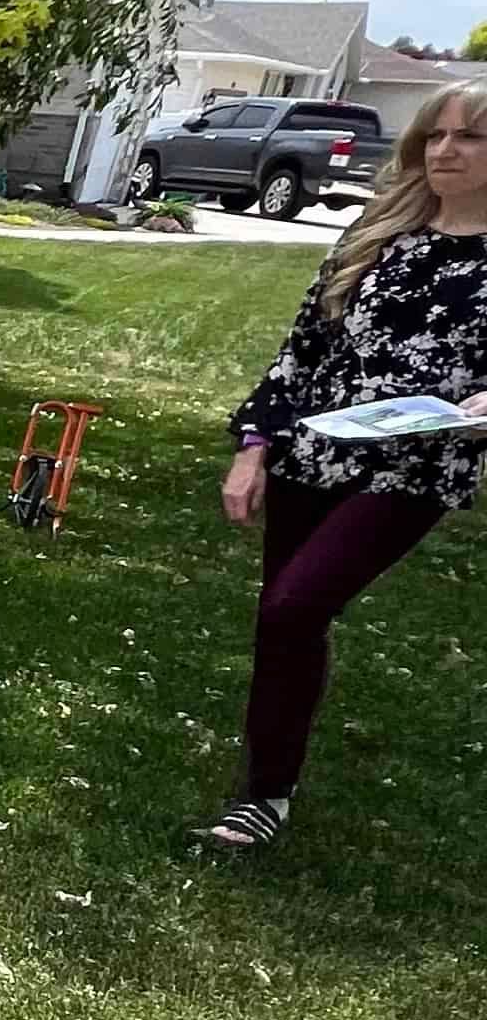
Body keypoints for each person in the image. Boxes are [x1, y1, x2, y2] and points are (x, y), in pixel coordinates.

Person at [196, 79, 487, 850]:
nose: (446, 150)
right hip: (312, 451)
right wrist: (254, 446)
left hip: (415, 468)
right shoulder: (379, 231)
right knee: (282, 622)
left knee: (296, 606)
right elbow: (303, 348)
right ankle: (265, 792)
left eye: (470, 138)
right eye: (437, 135)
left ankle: (266, 790)